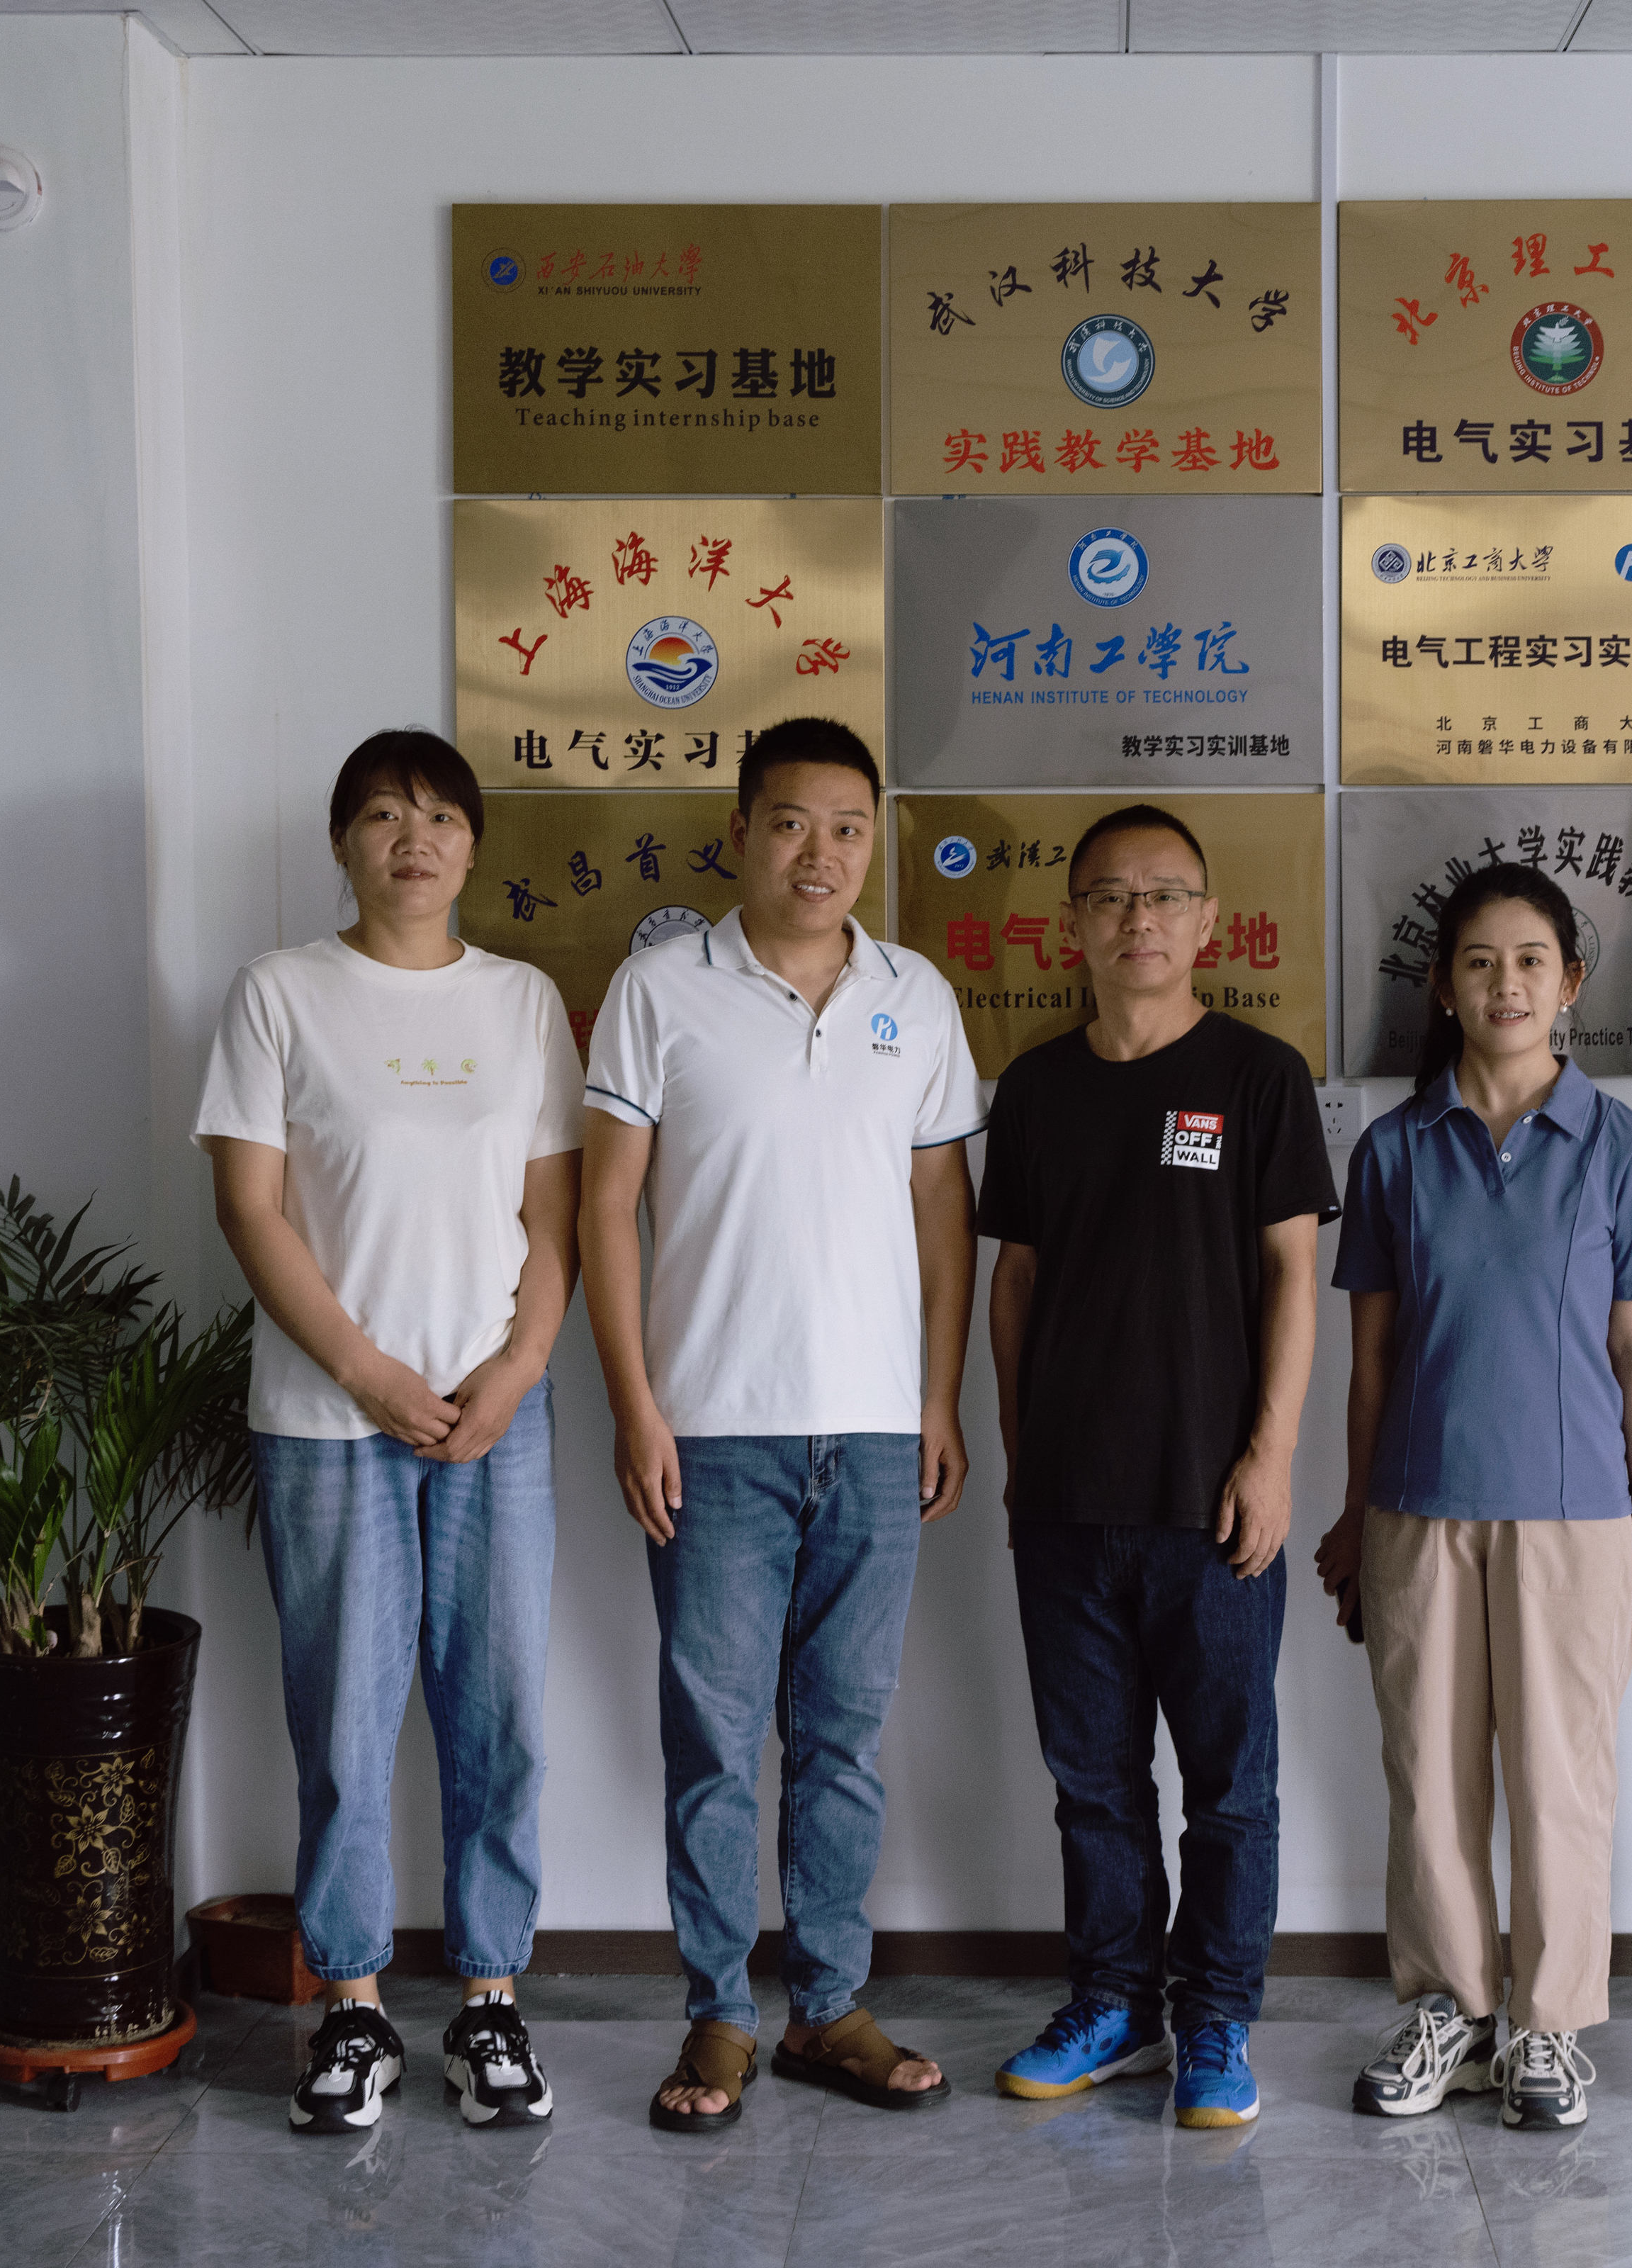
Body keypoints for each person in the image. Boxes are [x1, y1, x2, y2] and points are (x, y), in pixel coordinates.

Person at [578, 717, 981, 2133]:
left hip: (873, 1431)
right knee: (713, 1738)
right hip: (712, 1430)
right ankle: (718, 2011)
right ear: (741, 831)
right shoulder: (659, 988)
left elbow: (943, 1213)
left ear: (874, 841)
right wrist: (635, 1403)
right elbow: (606, 1206)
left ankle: (828, 2004)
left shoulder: (915, 995)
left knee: (843, 1740)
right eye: (794, 823)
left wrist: (937, 1397)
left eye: (849, 828)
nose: (822, 853)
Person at [196, 728, 582, 2135]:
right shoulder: (279, 991)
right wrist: (366, 1373)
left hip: (495, 1417)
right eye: (380, 815)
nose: (413, 840)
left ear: (473, 844)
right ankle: (352, 2007)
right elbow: (250, 1208)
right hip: (327, 1417)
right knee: (346, 1720)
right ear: (341, 843)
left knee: (500, 1713)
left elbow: (554, 1217)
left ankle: (490, 2000)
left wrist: (518, 1369)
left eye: (439, 816)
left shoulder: (524, 1001)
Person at [978, 804, 1336, 2129]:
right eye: (1113, 896)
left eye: (1166, 895)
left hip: (1213, 1504)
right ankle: (1115, 2005)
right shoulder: (1034, 1088)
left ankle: (1217, 2019)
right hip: (1066, 1506)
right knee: (1094, 1786)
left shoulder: (1259, 1076)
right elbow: (1015, 1283)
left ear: (1208, 921)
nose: (1141, 918)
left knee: (1231, 1790)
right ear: (1072, 922)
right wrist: (1020, 1453)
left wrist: (1272, 1456)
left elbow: (1294, 1276)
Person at [1313, 864, 1632, 2131]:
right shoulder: (1395, 1150)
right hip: (1419, 1510)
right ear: (1443, 985)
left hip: (1575, 1516)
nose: (1506, 984)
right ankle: (1451, 2013)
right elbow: (1370, 1361)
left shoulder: (1622, 1149)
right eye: (1479, 961)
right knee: (1429, 1775)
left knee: (1560, 1779)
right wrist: (1355, 1512)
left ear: (1570, 982)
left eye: (1530, 961)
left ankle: (1552, 2025)